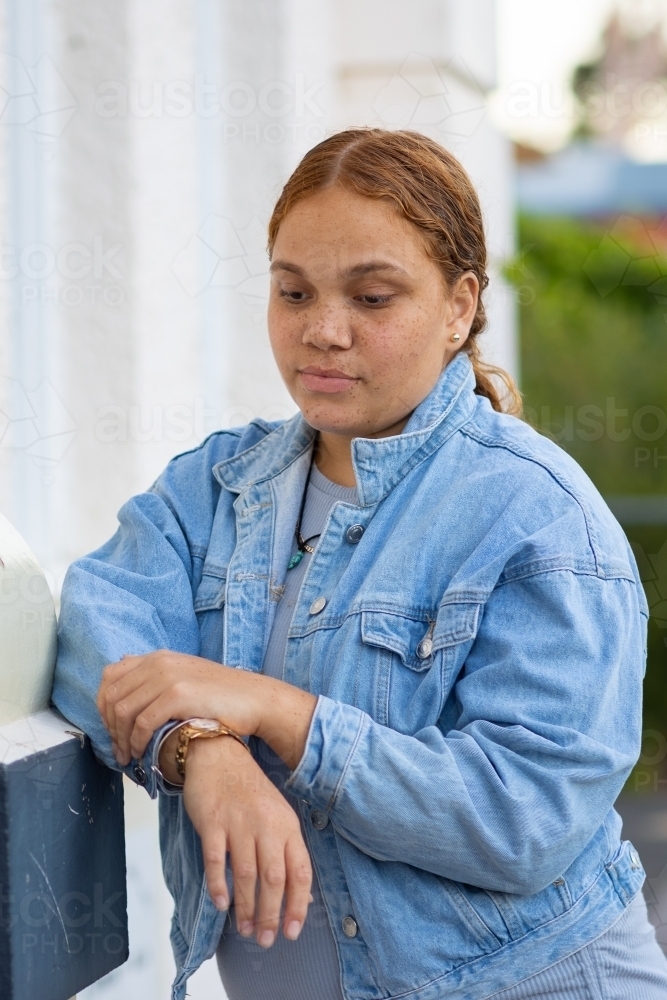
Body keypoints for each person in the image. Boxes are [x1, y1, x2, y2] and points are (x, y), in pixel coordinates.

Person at [52, 128, 667, 1000]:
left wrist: (278, 713)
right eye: (292, 291)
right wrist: (202, 749)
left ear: (459, 307)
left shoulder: (536, 514)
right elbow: (90, 625)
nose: (323, 331)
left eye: (372, 298)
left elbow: (523, 817)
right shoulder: (215, 487)